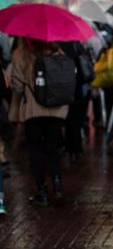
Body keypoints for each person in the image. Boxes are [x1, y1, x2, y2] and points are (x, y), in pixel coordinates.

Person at [9, 38, 71, 206]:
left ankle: (41, 191)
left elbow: (18, 86)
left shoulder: (20, 54)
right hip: (56, 110)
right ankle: (57, 184)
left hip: (33, 110)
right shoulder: (58, 52)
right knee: (53, 148)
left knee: (35, 150)